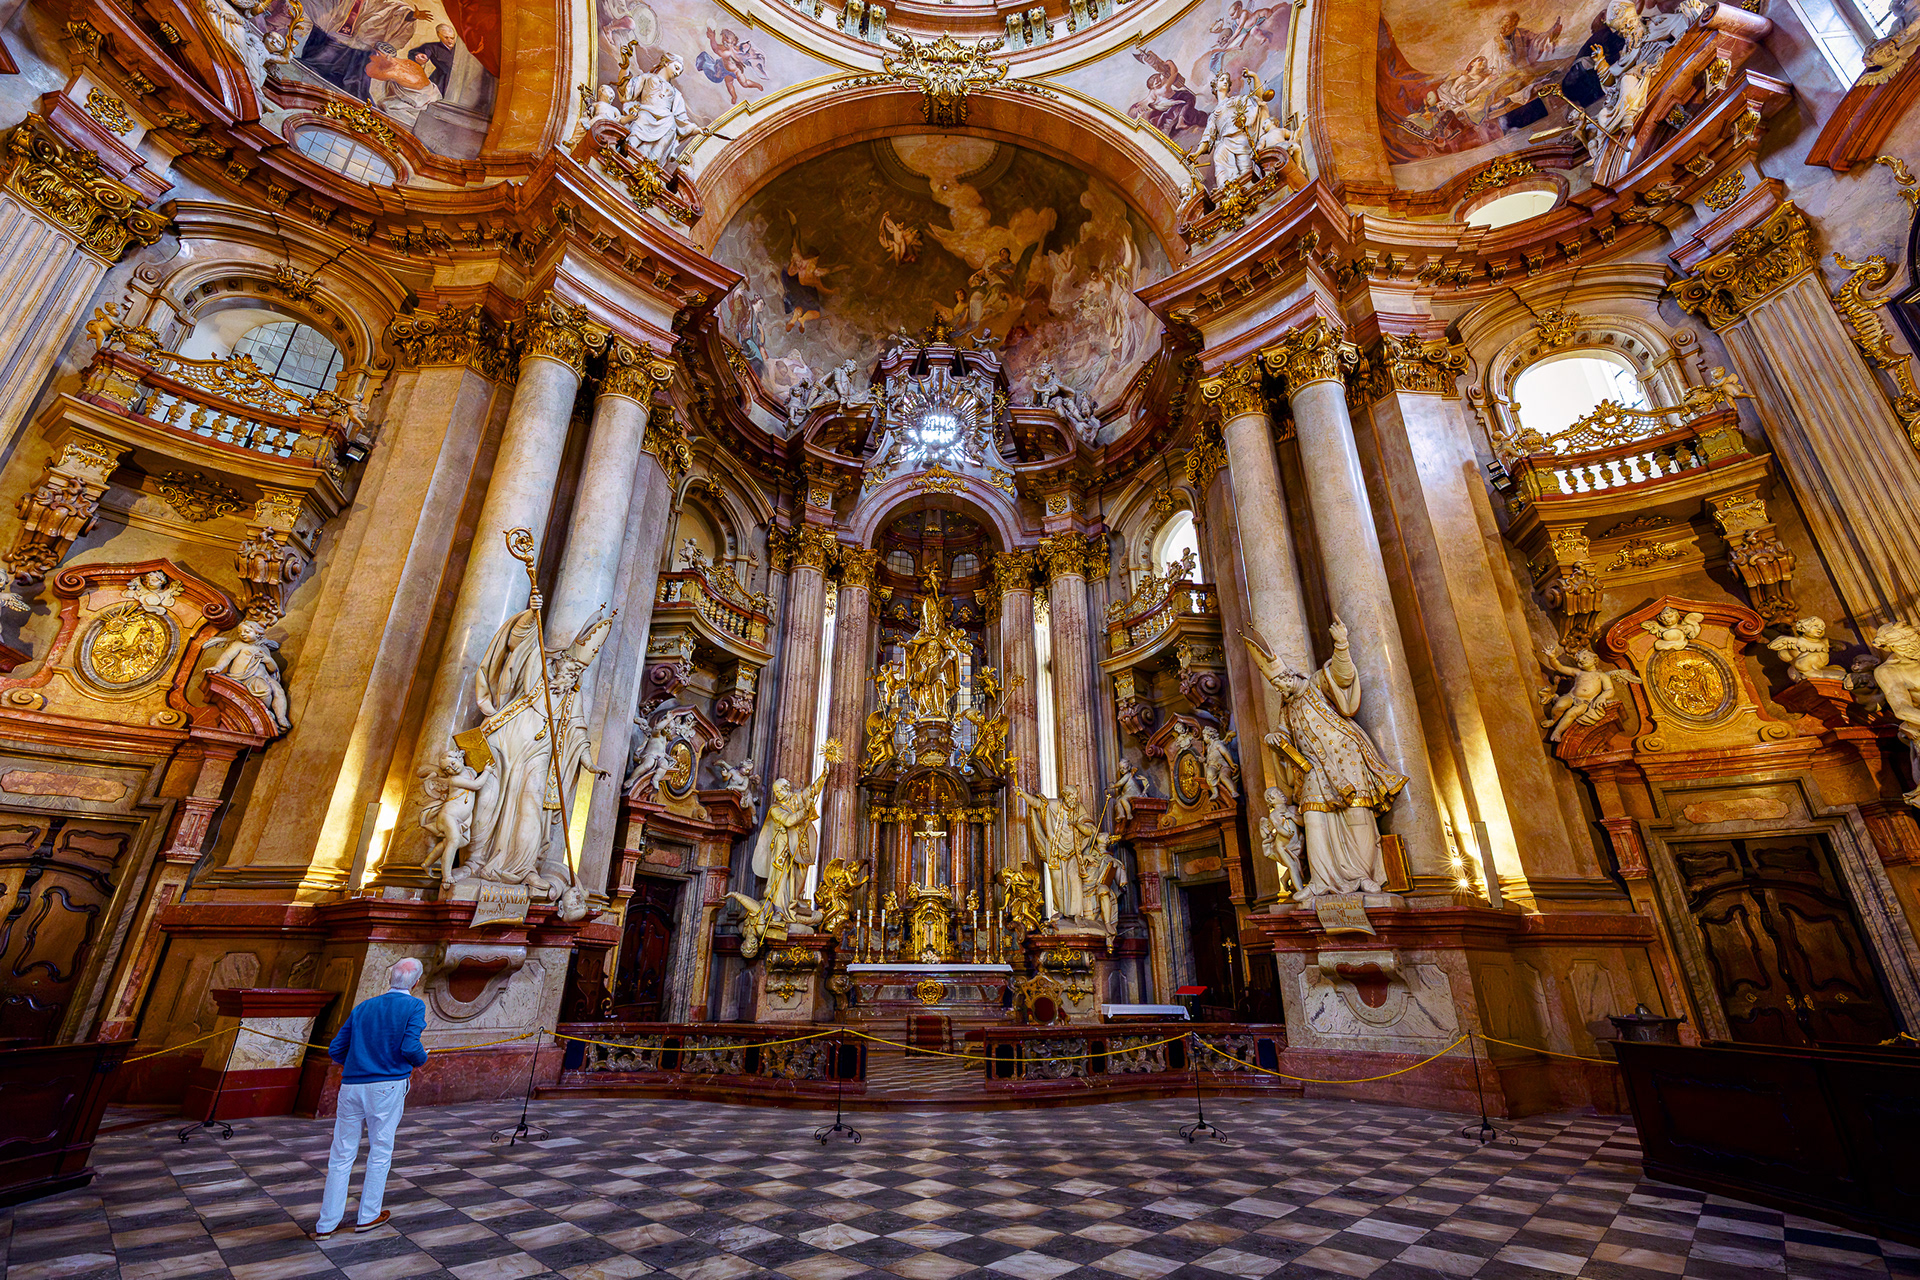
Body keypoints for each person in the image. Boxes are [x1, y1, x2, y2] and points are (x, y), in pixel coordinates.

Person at [311, 958, 429, 1239]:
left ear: (390, 979)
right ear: (416, 982)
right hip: (387, 1086)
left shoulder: (364, 1006)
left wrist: (358, 1063)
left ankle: (326, 1224)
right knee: (380, 1150)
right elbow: (411, 1047)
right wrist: (421, 1060)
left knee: (341, 1155)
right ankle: (368, 1215)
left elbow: (336, 1049)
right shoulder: (414, 1005)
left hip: (351, 1085)